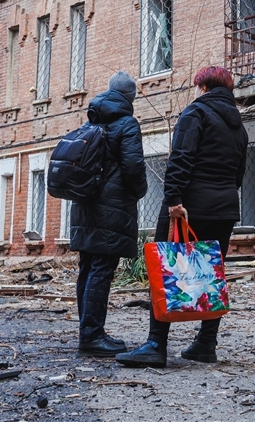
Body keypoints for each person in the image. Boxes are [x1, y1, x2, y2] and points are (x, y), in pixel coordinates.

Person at [117, 66, 248, 368]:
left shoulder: (196, 113)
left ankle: (156, 344)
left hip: (189, 206)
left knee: (166, 270)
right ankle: (206, 343)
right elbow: (239, 172)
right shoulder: (237, 125)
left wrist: (174, 199)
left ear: (202, 87)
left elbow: (181, 158)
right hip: (225, 207)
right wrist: (221, 195)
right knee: (211, 273)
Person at [69, 70, 148, 357]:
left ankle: (88, 331)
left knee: (88, 268)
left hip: (84, 205)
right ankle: (91, 336)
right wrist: (139, 192)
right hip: (111, 209)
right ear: (130, 97)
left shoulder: (90, 120)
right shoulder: (126, 124)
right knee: (102, 269)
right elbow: (133, 168)